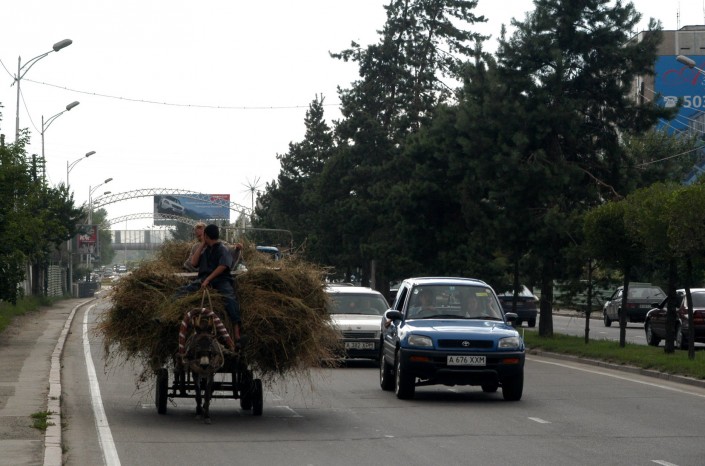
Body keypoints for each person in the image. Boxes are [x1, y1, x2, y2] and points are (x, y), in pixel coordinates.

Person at [175, 224, 241, 340]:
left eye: (203, 234)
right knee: (183, 291)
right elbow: (194, 263)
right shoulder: (205, 250)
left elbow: (223, 265)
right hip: (203, 279)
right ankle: (167, 314)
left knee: (230, 299)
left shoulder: (222, 248)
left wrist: (208, 279)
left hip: (221, 280)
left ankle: (237, 333)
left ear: (206, 235)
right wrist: (202, 245)